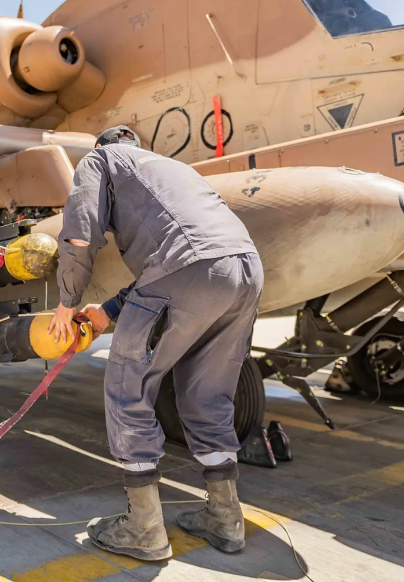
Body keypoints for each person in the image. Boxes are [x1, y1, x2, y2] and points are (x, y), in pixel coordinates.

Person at [48, 125, 263, 560]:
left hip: (189, 267)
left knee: (128, 386)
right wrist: (107, 310)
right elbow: (185, 255)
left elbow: (79, 230)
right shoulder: (173, 169)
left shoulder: (100, 160)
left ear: (104, 147)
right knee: (208, 395)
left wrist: (67, 302)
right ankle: (225, 518)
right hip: (245, 271)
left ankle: (143, 528)